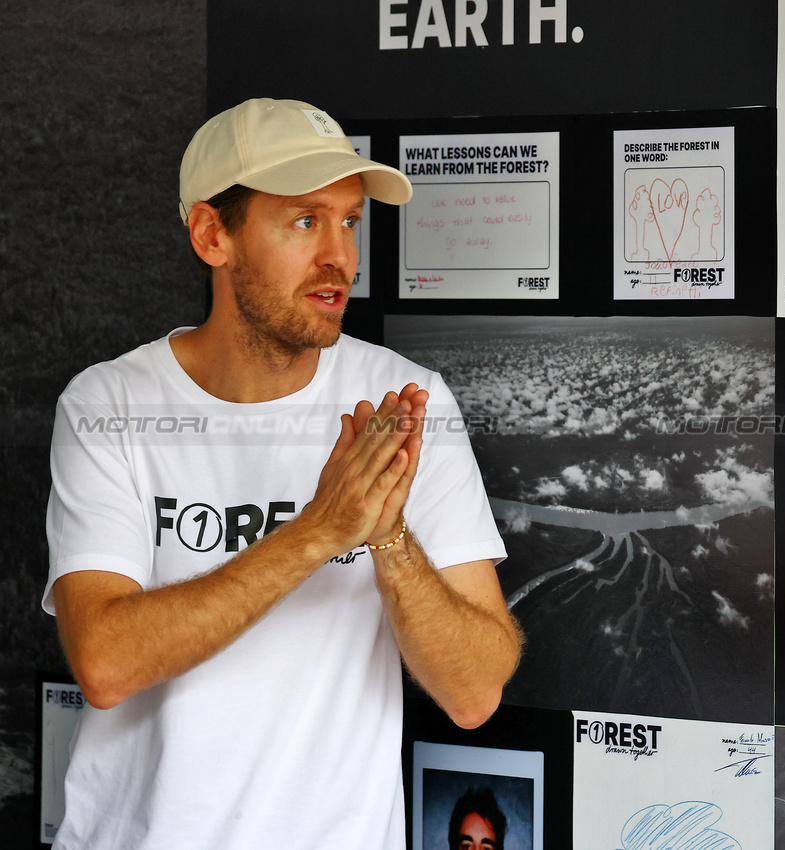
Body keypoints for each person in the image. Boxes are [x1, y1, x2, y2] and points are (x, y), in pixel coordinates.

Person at [43, 98, 523, 849]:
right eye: (305, 221)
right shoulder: (108, 404)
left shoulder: (404, 401)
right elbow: (104, 663)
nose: (341, 257)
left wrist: (389, 539)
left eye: (350, 222)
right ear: (212, 235)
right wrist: (318, 533)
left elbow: (474, 692)